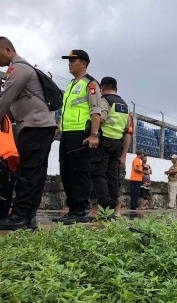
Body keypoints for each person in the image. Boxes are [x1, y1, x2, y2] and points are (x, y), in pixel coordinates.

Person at [0, 37, 57, 230]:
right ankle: (29, 215)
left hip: (35, 126)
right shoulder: (21, 69)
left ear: (8, 50)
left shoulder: (19, 69)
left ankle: (19, 215)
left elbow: (5, 100)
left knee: (28, 170)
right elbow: (10, 108)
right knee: (36, 171)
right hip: (39, 125)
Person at [52, 50, 101, 224]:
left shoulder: (91, 84)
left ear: (84, 63)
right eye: (69, 60)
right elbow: (65, 114)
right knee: (66, 172)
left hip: (81, 134)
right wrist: (56, 131)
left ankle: (80, 211)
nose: (69, 63)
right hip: (67, 134)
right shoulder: (71, 85)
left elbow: (96, 111)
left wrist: (93, 135)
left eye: (73, 60)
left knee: (79, 173)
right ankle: (72, 209)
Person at [87, 77, 131, 220]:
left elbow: (101, 118)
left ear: (102, 88)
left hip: (104, 141)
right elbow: (127, 129)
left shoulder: (105, 100)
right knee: (112, 176)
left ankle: (104, 206)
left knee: (98, 174)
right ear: (116, 88)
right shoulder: (125, 106)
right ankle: (112, 207)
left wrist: (91, 118)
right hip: (117, 143)